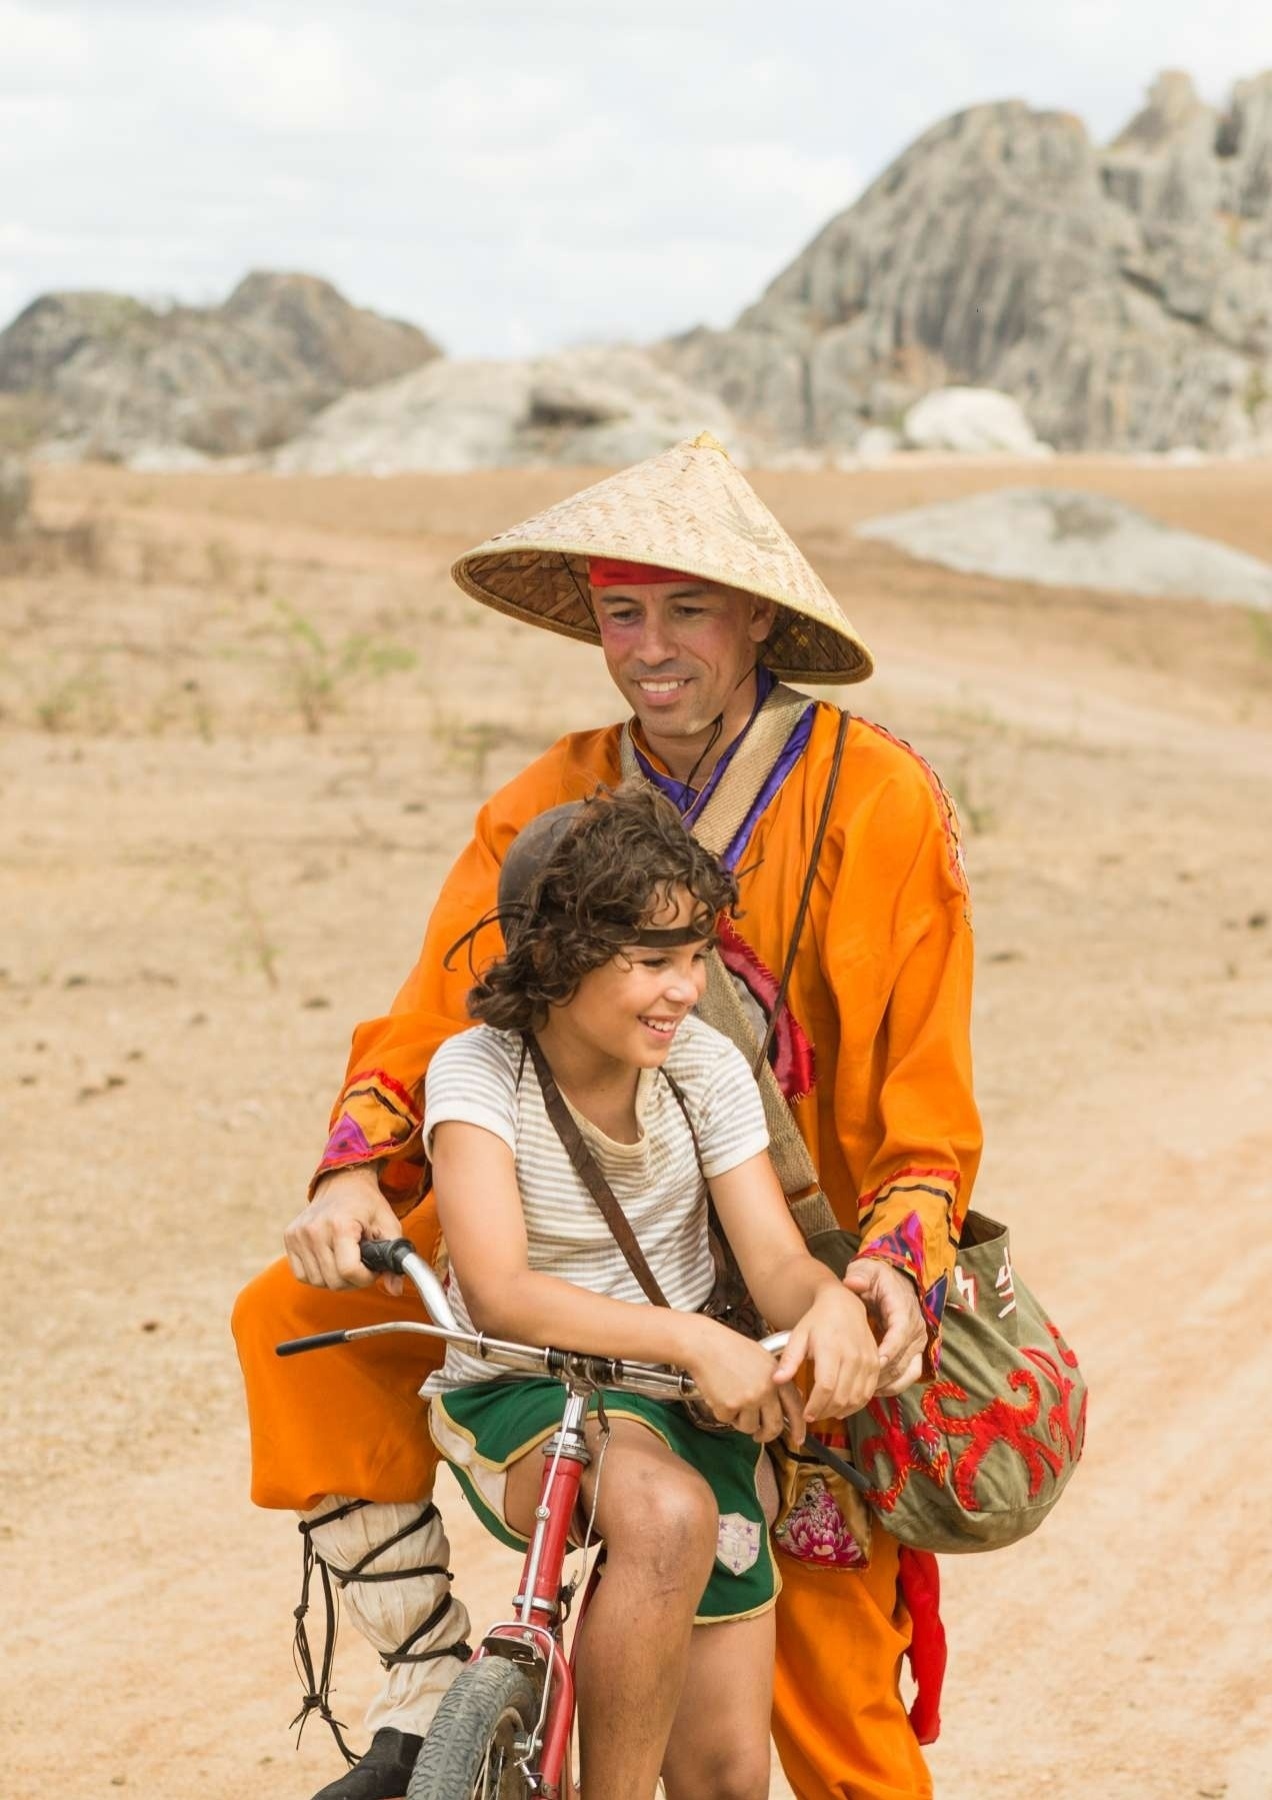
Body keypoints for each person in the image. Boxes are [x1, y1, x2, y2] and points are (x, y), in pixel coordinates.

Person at [232, 431, 982, 1800]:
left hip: (793, 1264)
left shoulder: (877, 800)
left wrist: (872, 1282)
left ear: (758, 614)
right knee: (293, 1316)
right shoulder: (545, 800)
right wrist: (354, 1168)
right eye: (621, 609)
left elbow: (923, 1104)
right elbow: (432, 1013)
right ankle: (419, 1697)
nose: (649, 645)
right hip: (578, 1265)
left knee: (829, 1711)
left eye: (687, 606)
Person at [424, 781, 879, 1798]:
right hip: (530, 1392)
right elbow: (497, 1291)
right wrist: (693, 1340)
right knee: (666, 1515)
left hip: (686, 1405)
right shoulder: (479, 1072)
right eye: (651, 962)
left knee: (728, 1776)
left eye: (696, 957)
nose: (685, 988)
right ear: (556, 957)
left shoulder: (704, 1068)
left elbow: (776, 1265)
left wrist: (829, 1305)